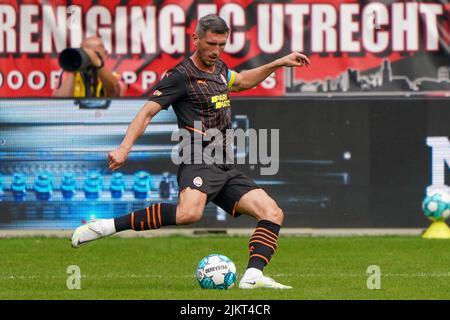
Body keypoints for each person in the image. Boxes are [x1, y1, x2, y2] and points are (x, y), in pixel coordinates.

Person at [71, 14, 310, 289]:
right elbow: (147, 113)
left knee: (272, 212)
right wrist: (124, 148)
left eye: (222, 45)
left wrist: (279, 62)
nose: (216, 50)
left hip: (223, 164)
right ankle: (105, 227)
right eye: (211, 44)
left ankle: (253, 277)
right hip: (197, 158)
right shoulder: (179, 76)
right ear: (195, 38)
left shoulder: (219, 69)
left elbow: (242, 81)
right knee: (189, 214)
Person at [52, 36, 127, 97]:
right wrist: (74, 67)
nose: (91, 60)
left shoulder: (116, 77)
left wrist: (98, 63)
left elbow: (114, 93)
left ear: (106, 54)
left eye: (96, 54)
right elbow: (59, 103)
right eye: (87, 55)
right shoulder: (67, 76)